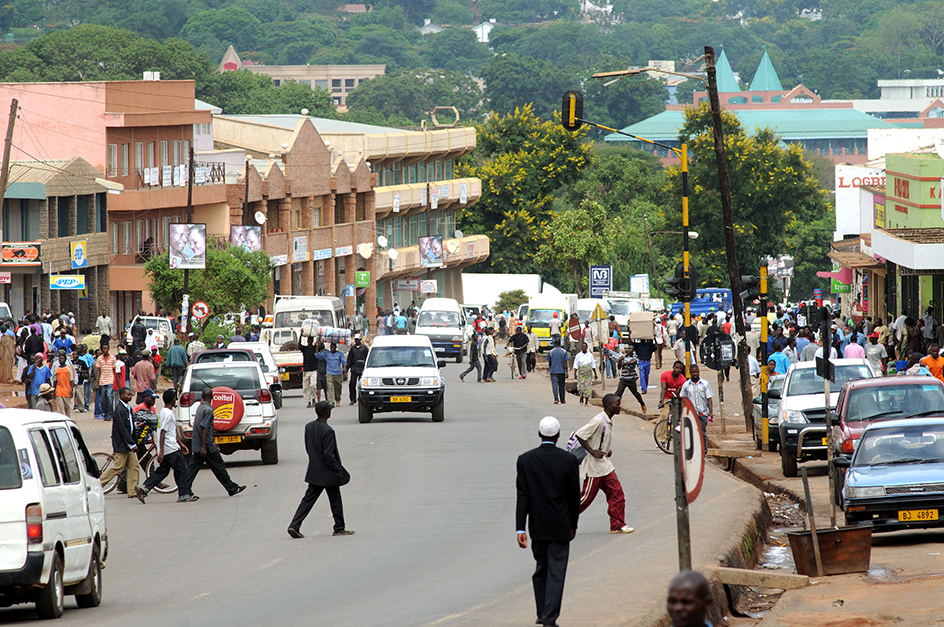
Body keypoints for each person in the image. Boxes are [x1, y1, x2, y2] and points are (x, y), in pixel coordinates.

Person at [516, 416, 580, 627]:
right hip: (561, 526)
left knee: (541, 567)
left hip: (537, 527)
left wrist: (520, 528)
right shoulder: (569, 460)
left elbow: (523, 496)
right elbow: (573, 496)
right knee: (556, 572)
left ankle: (543, 612)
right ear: (558, 435)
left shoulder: (525, 460)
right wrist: (573, 525)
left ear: (539, 434)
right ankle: (550, 619)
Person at [288, 401, 354, 538]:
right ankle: (339, 528)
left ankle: (294, 525)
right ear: (328, 413)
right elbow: (329, 455)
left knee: (308, 500)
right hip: (328, 472)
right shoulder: (328, 430)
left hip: (315, 469)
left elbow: (309, 448)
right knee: (335, 499)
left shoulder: (309, 427)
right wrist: (338, 470)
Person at [575, 394, 634, 534]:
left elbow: (600, 439)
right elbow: (580, 434)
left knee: (617, 493)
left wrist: (606, 450)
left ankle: (617, 524)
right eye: (617, 404)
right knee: (584, 499)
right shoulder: (598, 420)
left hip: (605, 465)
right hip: (594, 467)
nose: (619, 407)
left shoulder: (607, 421)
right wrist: (592, 451)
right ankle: (560, 518)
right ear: (609, 406)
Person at [183, 388, 247, 498]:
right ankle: (232, 488)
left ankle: (184, 490)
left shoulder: (200, 407)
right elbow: (204, 428)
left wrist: (211, 442)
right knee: (219, 466)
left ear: (202, 397)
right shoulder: (208, 410)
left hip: (199, 443)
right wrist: (205, 447)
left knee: (193, 469)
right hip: (206, 446)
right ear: (212, 397)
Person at [140, 389, 197, 502]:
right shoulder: (168, 414)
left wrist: (180, 444)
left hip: (169, 447)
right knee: (181, 471)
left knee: (163, 471)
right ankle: (184, 494)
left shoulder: (163, 412)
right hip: (171, 449)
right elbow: (163, 433)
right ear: (173, 400)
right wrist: (161, 451)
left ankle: (144, 488)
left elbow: (170, 432)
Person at [99, 387, 146, 503]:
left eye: (131, 395)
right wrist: (131, 443)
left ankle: (132, 490)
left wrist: (135, 427)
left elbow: (129, 425)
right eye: (128, 395)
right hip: (122, 444)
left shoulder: (128, 408)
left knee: (134, 466)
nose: (130, 396)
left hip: (129, 444)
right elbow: (122, 429)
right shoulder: (119, 409)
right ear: (121, 395)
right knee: (118, 466)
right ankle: (97, 484)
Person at [680, 365, 713, 451]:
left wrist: (711, 412)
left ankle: (703, 451)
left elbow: (709, 398)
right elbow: (682, 398)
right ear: (690, 373)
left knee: (702, 433)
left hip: (702, 413)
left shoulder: (705, 384)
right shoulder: (686, 385)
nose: (695, 374)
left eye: (696, 372)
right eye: (693, 372)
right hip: (691, 413)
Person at [615, 344, 647, 413]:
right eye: (628, 348)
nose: (629, 350)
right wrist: (620, 361)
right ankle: (615, 406)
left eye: (631, 349)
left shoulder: (635, 356)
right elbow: (619, 367)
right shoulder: (623, 356)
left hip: (631, 379)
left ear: (633, 350)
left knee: (635, 393)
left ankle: (642, 404)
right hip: (623, 378)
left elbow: (632, 362)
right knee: (618, 393)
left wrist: (623, 363)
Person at [316, 342, 347, 407]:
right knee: (329, 387)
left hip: (338, 373)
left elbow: (344, 362)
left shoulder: (340, 354)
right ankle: (331, 402)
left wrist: (344, 368)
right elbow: (317, 355)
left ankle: (337, 400)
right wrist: (317, 346)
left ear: (335, 347)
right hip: (329, 373)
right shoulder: (326, 353)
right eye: (331, 347)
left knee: (338, 388)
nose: (332, 348)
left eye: (333, 347)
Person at [52, 350, 77, 417]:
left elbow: (71, 380)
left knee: (68, 408)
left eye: (62, 358)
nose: (61, 360)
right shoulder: (56, 368)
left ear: (65, 359)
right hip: (59, 391)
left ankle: (67, 418)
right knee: (60, 408)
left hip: (67, 390)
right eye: (60, 359)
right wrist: (54, 390)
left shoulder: (69, 368)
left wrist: (71, 390)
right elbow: (55, 380)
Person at [573, 342, 598, 407]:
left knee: (588, 387)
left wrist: (595, 374)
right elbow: (576, 364)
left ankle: (586, 401)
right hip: (581, 372)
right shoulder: (578, 355)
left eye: (585, 346)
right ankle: (581, 396)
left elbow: (593, 364)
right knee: (580, 387)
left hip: (588, 373)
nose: (584, 348)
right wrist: (575, 373)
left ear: (587, 347)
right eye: (583, 346)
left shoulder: (590, 355)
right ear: (581, 347)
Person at [347, 334, 369, 405]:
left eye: (357, 339)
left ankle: (361, 399)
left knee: (361, 385)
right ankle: (353, 399)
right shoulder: (353, 348)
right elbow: (350, 359)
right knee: (352, 384)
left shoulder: (364, 348)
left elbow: (367, 358)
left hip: (362, 369)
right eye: (355, 340)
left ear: (360, 340)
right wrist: (346, 368)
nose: (356, 341)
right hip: (354, 368)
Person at [547, 338, 569, 404]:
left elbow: (549, 362)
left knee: (554, 386)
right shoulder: (564, 351)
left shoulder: (551, 352)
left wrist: (551, 368)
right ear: (560, 343)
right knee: (562, 386)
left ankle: (556, 399)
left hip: (553, 371)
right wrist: (566, 371)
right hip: (561, 371)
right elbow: (565, 362)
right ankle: (562, 400)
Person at [300, 336, 319, 408]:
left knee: (313, 385)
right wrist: (301, 335)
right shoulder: (304, 349)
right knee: (305, 387)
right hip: (306, 370)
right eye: (308, 340)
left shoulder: (314, 348)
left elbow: (317, 354)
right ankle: (308, 401)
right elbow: (299, 345)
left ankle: (314, 399)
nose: (309, 341)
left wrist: (316, 346)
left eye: (311, 340)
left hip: (313, 370)